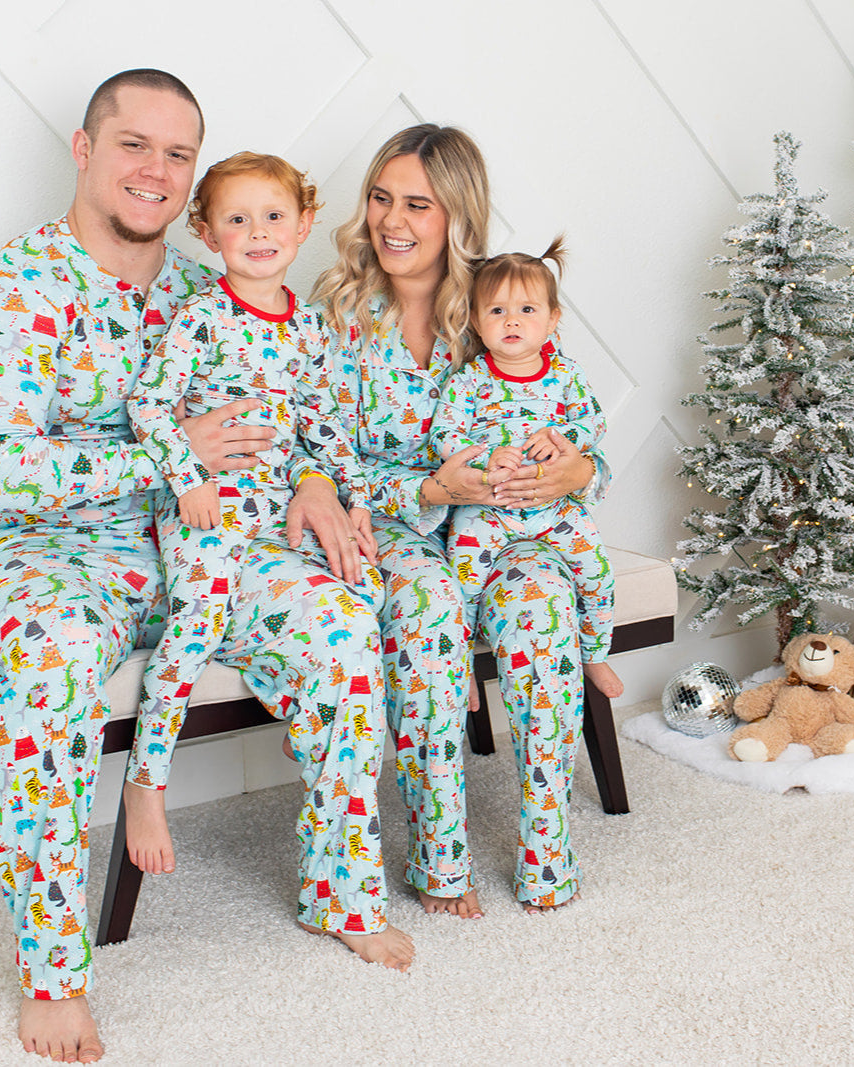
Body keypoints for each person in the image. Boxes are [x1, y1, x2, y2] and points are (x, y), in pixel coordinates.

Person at [0, 70, 297, 1062]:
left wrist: (311, 485)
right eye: (133, 143)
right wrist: (166, 452)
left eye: (178, 153)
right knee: (51, 656)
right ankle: (54, 973)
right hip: (40, 560)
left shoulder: (208, 286)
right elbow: (0, 467)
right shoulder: (11, 285)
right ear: (83, 148)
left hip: (190, 551)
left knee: (339, 617)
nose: (157, 170)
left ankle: (350, 884)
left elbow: (271, 421)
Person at [311, 124, 611, 919]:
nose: (392, 220)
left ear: (457, 216)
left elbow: (569, 419)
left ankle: (547, 850)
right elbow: (321, 463)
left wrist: (577, 469)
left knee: (543, 608)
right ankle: (439, 860)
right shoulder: (338, 314)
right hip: (403, 531)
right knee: (428, 606)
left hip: (514, 528)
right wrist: (434, 489)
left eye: (418, 203)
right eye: (380, 198)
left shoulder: (499, 301)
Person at [120, 150, 384, 922]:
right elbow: (149, 403)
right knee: (196, 621)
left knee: (361, 598)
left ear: (304, 225)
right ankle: (147, 780)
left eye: (273, 216)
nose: (256, 232)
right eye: (236, 218)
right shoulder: (202, 314)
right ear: (206, 232)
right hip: (206, 505)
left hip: (275, 515)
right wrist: (187, 479)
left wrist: (352, 498)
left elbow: (323, 427)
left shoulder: (307, 325)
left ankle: (338, 877)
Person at [429, 241, 623, 700]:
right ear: (477, 321)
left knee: (595, 570)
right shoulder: (470, 379)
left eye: (527, 309)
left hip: (555, 507)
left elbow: (593, 420)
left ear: (552, 320)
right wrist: (485, 456)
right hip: (488, 508)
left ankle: (595, 653)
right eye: (496, 310)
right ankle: (463, 670)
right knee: (462, 580)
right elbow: (445, 435)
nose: (511, 321)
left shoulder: (566, 375)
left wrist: (566, 439)